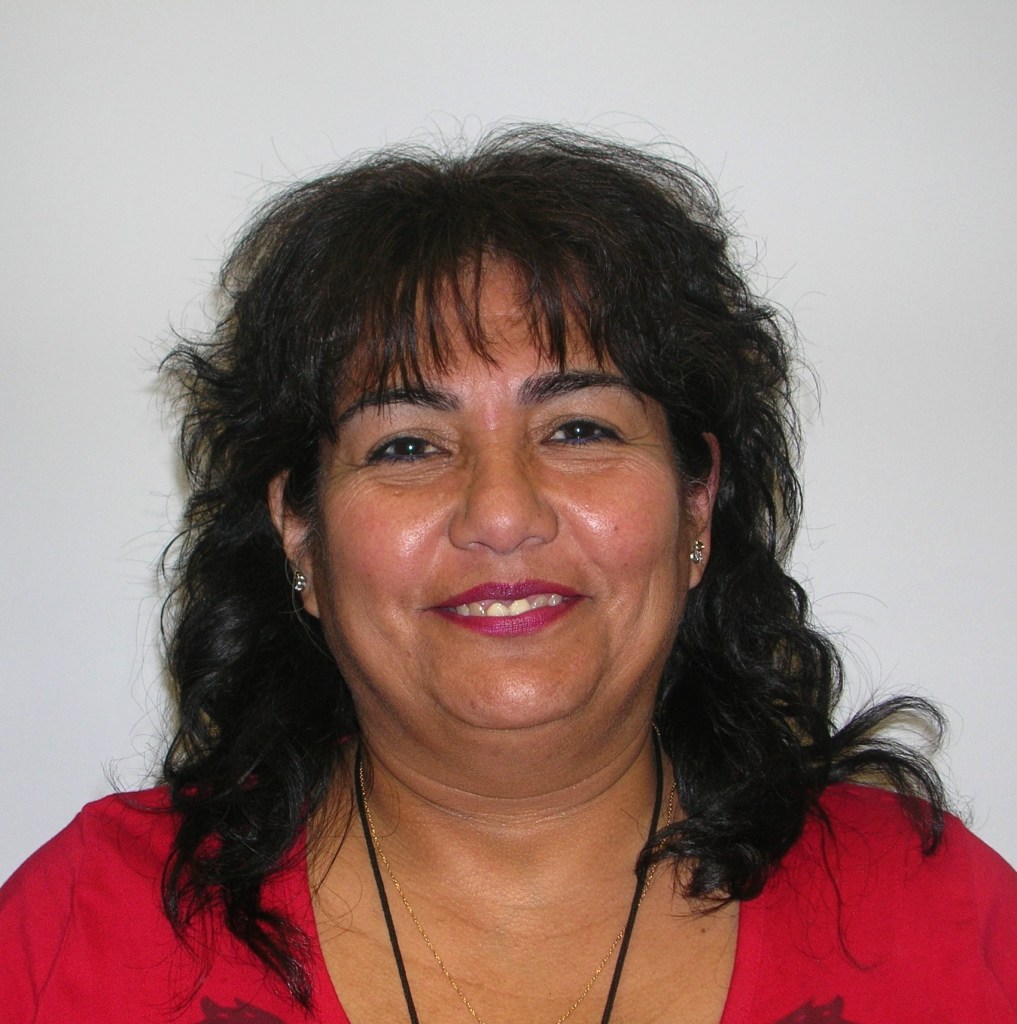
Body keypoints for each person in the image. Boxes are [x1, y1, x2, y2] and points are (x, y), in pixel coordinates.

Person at [2, 125, 1015, 1024]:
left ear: (697, 503)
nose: (500, 513)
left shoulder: (943, 921)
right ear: (298, 532)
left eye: (579, 429)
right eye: (406, 445)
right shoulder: (78, 929)